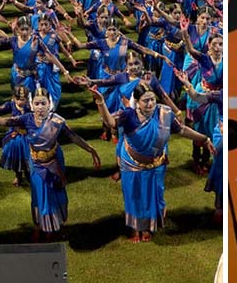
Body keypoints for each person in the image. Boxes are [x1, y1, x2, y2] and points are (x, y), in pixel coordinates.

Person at [0, 87, 101, 241]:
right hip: (36, 164)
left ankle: (52, 227)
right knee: (39, 195)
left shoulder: (57, 121)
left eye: (43, 103)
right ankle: (40, 225)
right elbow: (2, 121)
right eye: (37, 104)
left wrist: (90, 150)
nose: (40, 107)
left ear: (49, 104)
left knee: (53, 193)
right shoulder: (27, 119)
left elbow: (73, 137)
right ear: (32, 105)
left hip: (54, 162)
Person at [88, 81, 214, 242]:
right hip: (131, 164)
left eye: (153, 99)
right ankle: (135, 228)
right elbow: (110, 122)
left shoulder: (164, 113)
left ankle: (147, 226)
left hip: (156, 164)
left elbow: (182, 130)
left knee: (152, 195)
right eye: (146, 101)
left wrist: (204, 139)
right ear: (137, 102)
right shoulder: (128, 115)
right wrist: (101, 102)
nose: (150, 104)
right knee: (134, 196)